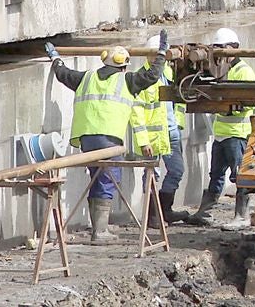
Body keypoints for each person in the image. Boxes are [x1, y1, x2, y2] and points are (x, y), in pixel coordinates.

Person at [45, 30, 168, 244]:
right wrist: (162, 54)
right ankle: (99, 232)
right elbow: (152, 75)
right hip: (108, 139)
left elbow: (64, 74)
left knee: (96, 178)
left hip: (86, 139)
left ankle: (99, 227)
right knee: (107, 180)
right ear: (123, 65)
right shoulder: (126, 80)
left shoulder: (87, 78)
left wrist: (55, 58)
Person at [188, 27, 255, 224]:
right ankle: (204, 213)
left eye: (222, 49)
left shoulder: (244, 72)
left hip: (237, 134)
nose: (218, 54)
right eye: (216, 49)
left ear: (233, 49)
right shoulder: (220, 70)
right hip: (221, 134)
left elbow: (249, 103)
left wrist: (226, 108)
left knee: (240, 177)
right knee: (216, 175)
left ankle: (241, 216)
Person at [130, 35, 192, 225]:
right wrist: (143, 141)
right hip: (151, 137)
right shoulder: (141, 78)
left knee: (177, 170)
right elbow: (136, 112)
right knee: (151, 176)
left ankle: (165, 210)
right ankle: (152, 216)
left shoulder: (170, 73)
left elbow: (180, 100)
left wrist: (179, 124)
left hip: (170, 132)